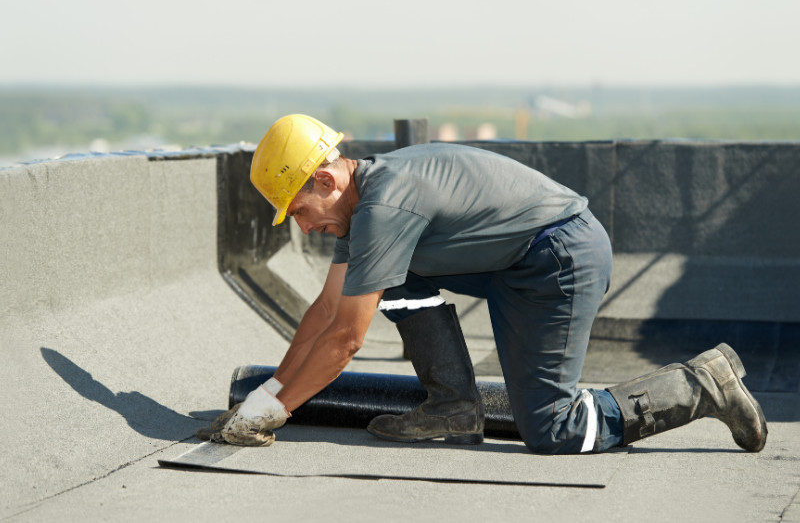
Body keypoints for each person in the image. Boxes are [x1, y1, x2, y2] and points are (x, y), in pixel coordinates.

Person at [200, 113, 767, 454]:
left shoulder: (385, 204)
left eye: (300, 211)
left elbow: (345, 340)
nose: (304, 227)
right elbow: (325, 313)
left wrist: (273, 414)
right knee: (386, 279)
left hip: (559, 259)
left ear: (326, 177)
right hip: (516, 261)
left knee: (553, 429)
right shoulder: (361, 208)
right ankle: (453, 405)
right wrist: (267, 393)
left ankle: (698, 386)